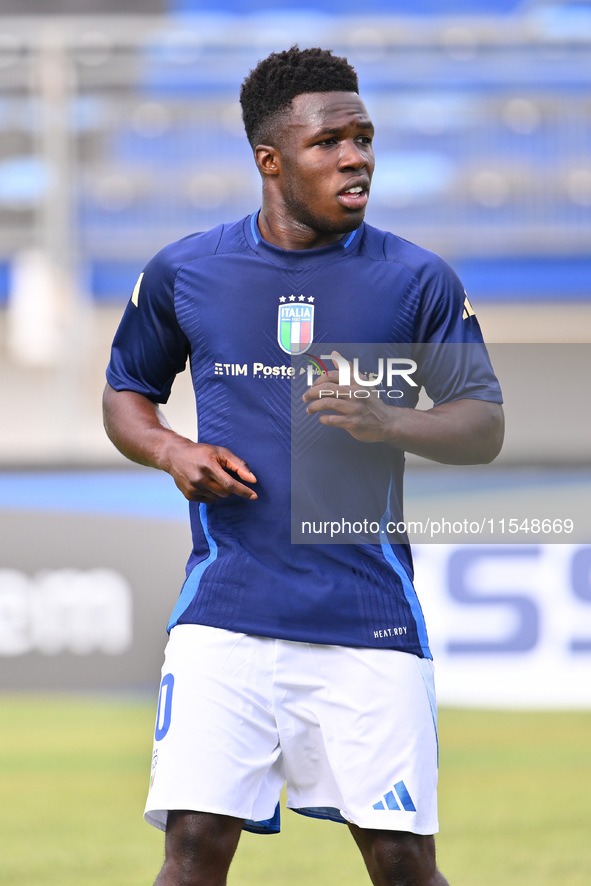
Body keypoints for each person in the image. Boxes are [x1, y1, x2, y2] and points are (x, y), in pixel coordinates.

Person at [103, 46, 503, 886]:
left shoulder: (414, 278)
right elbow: (126, 395)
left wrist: (389, 419)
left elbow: (480, 424)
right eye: (330, 142)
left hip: (366, 618)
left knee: (401, 862)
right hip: (224, 614)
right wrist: (174, 450)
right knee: (189, 856)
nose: (355, 157)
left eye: (363, 138)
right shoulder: (188, 271)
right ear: (270, 160)